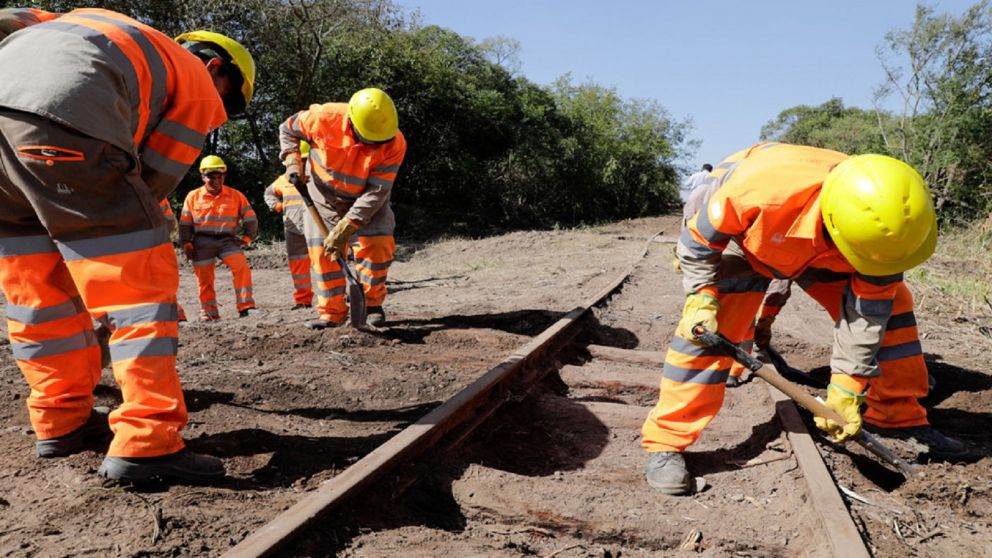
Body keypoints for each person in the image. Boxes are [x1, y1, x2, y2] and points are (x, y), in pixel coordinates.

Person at [0, 7, 255, 483]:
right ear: (216, 68)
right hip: (66, 118)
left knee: (35, 291)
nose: (219, 114)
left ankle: (60, 421)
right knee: (138, 289)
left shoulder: (97, 26)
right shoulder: (194, 78)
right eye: (229, 103)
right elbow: (152, 183)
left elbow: (12, 19)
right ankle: (148, 441)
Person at [642, 142, 969, 496]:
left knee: (894, 312)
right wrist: (702, 297)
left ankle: (896, 415)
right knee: (710, 327)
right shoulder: (752, 193)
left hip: (827, 249)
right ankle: (666, 442)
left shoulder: (889, 234)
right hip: (746, 238)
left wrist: (847, 387)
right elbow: (697, 243)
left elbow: (866, 317)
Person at [278, 88, 406, 329]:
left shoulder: (395, 143)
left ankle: (372, 304)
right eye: (369, 141)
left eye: (380, 142)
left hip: (367, 198)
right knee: (322, 250)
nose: (374, 147)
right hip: (322, 195)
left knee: (378, 243)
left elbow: (376, 192)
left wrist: (347, 227)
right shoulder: (323, 117)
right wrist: (293, 160)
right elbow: (287, 129)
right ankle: (332, 314)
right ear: (352, 124)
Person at [179, 156, 259, 320]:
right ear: (203, 177)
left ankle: (246, 307)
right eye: (211, 177)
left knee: (241, 267)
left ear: (224, 176)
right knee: (204, 278)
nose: (216, 180)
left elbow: (250, 218)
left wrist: (246, 239)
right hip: (201, 242)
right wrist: (186, 244)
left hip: (227, 242)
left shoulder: (235, 195)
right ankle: (209, 313)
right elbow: (185, 223)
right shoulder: (193, 197)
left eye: (219, 176)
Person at [264, 141, 314, 310]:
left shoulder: (319, 177)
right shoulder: (283, 180)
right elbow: (268, 193)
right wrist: (276, 205)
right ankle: (303, 300)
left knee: (327, 262)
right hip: (294, 230)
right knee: (298, 265)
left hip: (316, 228)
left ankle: (336, 297)